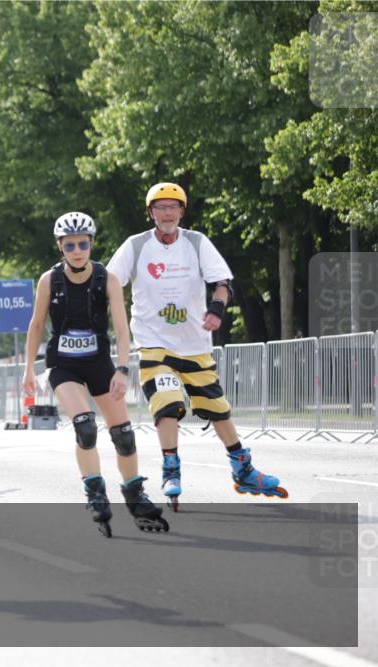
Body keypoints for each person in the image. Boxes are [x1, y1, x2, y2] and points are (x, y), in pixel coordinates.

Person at [106, 182, 287, 510]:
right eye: (160, 207)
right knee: (168, 403)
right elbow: (108, 283)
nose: (167, 213)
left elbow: (222, 282)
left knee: (218, 409)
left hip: (194, 344)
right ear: (151, 213)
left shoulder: (196, 242)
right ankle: (171, 468)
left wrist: (217, 309)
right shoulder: (134, 246)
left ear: (181, 211)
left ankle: (242, 468)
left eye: (173, 207)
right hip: (153, 343)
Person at [22, 213, 167, 537]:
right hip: (64, 364)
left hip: (99, 361)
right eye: (70, 244)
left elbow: (120, 326)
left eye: (83, 243)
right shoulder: (50, 280)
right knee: (85, 426)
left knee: (124, 435)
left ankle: (134, 494)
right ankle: (95, 490)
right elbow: (35, 325)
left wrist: (123, 369)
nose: (77, 250)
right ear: (60, 246)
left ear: (91, 244)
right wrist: (29, 369)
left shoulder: (107, 279)